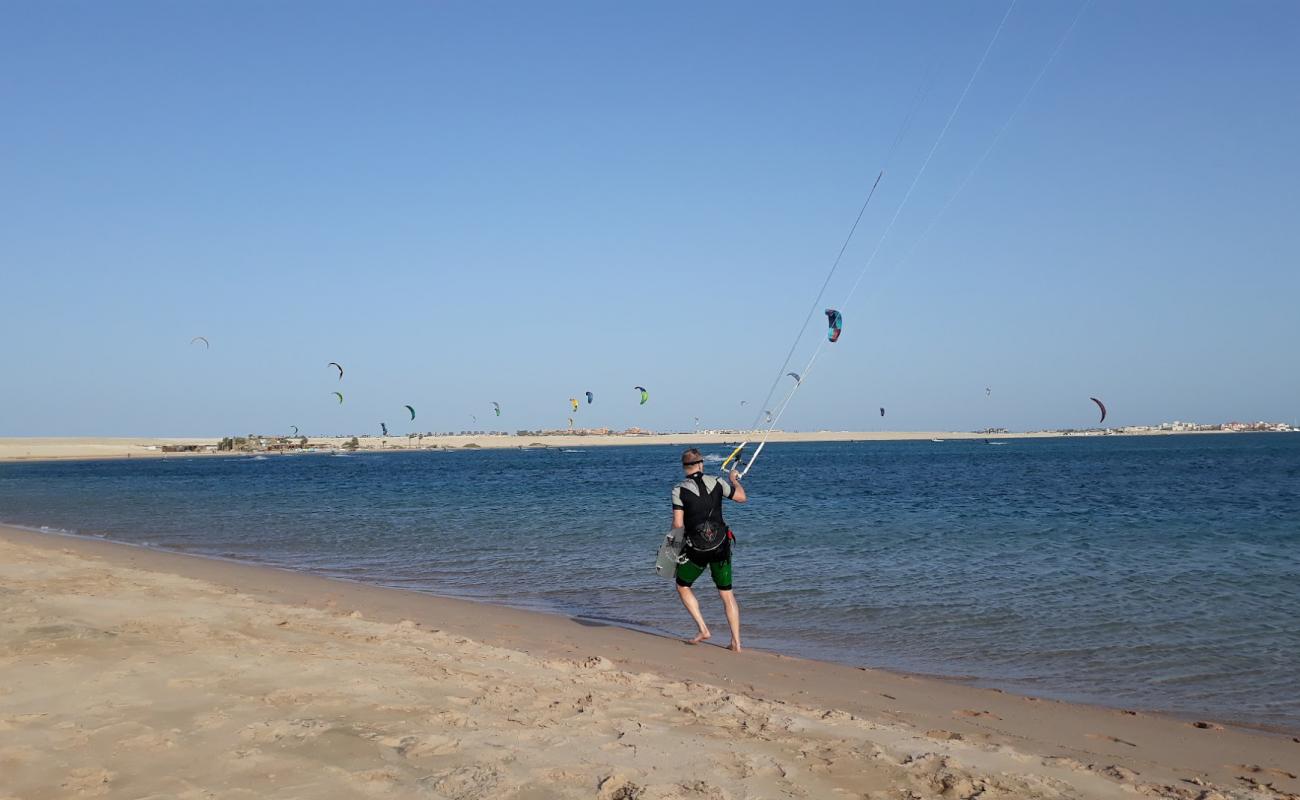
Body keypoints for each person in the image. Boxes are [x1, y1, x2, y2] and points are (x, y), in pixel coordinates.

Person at [670, 448, 746, 651]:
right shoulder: (719, 482)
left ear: (684, 467)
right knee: (727, 594)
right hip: (721, 546)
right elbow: (741, 498)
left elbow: (678, 525)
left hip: (697, 550)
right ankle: (736, 643)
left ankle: (703, 629)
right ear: (701, 464)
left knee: (683, 586)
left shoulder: (678, 490)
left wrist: (671, 547)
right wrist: (734, 479)